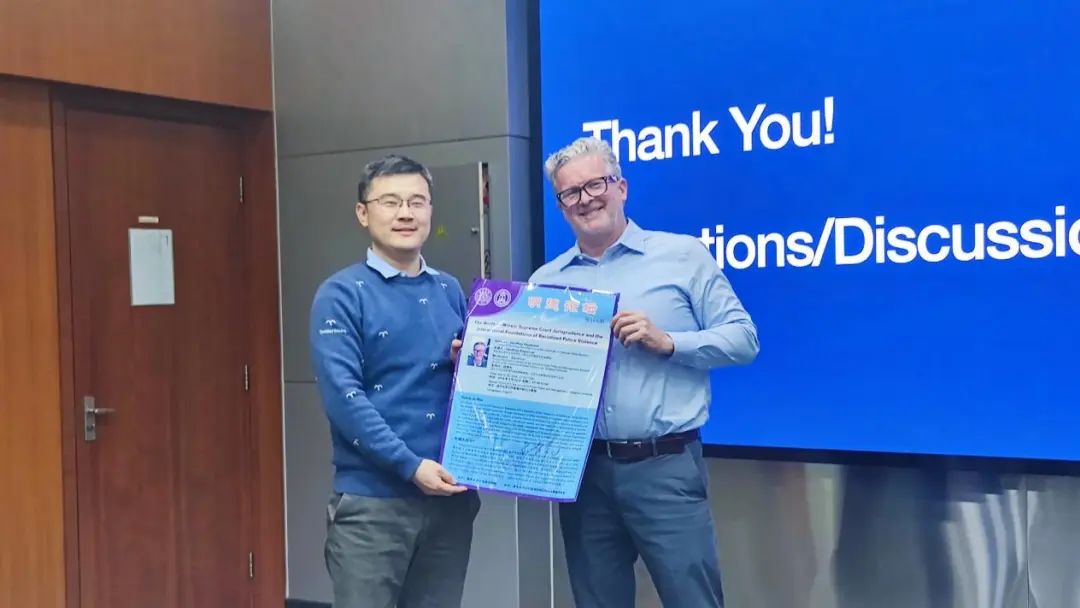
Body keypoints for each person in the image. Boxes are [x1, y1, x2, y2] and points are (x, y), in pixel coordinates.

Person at [530, 137, 760, 608]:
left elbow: (744, 340)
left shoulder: (682, 256)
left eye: (596, 184)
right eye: (570, 193)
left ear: (621, 187)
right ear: (561, 206)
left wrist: (669, 342)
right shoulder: (545, 283)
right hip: (583, 474)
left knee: (692, 599)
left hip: (665, 467)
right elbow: (531, 376)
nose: (585, 199)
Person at [309, 154, 480, 608]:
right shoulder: (340, 294)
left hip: (449, 501)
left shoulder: (449, 289)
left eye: (417, 202)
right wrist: (410, 466)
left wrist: (469, 366)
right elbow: (345, 400)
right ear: (363, 213)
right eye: (390, 202)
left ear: (430, 211)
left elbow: (468, 390)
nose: (406, 213)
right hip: (373, 506)